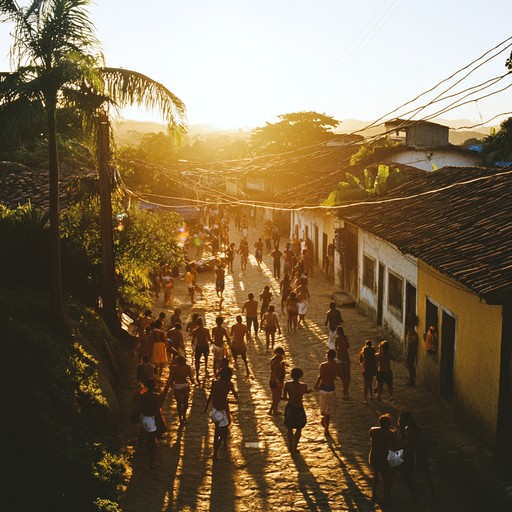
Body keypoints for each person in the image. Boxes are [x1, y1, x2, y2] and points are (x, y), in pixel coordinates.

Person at [397, 411, 436, 499]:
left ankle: (414, 493)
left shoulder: (407, 429)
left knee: (406, 472)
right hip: (421, 452)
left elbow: (410, 443)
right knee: (426, 473)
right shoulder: (415, 427)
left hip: (412, 454)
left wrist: (398, 446)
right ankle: (432, 492)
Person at [204, 366, 239, 460]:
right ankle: (215, 452)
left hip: (214, 409)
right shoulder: (229, 384)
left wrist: (206, 407)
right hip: (223, 409)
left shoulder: (214, 383)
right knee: (222, 431)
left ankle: (223, 444)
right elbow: (236, 396)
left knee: (219, 430)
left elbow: (211, 395)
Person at [314, 349, 343, 436]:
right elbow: (341, 375)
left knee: (324, 409)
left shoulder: (323, 365)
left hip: (323, 388)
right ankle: (326, 425)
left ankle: (326, 428)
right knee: (328, 410)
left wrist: (316, 385)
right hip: (331, 388)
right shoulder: (336, 365)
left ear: (327, 356)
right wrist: (345, 386)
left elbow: (321, 376)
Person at [369, 414, 396, 504]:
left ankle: (374, 494)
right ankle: (386, 496)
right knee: (385, 477)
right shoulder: (390, 434)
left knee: (376, 475)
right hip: (383, 458)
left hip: (373, 456)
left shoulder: (373, 431)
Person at [137, 379, 164, 469]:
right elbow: (158, 409)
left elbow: (139, 408)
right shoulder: (155, 396)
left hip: (143, 418)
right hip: (151, 419)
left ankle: (143, 455)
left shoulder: (142, 396)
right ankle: (151, 464)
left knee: (146, 438)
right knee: (153, 443)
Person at [283, 367, 310, 454]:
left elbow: (284, 397)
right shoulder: (304, 386)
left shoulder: (287, 384)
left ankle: (291, 446)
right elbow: (306, 391)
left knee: (289, 428)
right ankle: (295, 447)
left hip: (290, 407)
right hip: (299, 408)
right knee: (299, 429)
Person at [163, 355, 195, 424]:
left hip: (177, 385)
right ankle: (184, 416)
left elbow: (171, 377)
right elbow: (190, 377)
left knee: (179, 403)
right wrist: (193, 382)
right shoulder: (187, 367)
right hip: (185, 385)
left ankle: (180, 418)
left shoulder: (174, 368)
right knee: (185, 401)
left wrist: (167, 385)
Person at [334, 326, 350, 399]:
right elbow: (347, 346)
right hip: (346, 356)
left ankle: (345, 392)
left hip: (340, 357)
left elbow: (336, 347)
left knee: (342, 376)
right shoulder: (344, 337)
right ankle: (346, 391)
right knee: (347, 375)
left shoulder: (337, 338)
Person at [268, 347, 286, 415]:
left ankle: (274, 410)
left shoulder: (275, 360)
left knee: (277, 398)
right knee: (276, 398)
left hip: (276, 381)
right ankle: (271, 411)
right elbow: (274, 374)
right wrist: (278, 382)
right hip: (275, 382)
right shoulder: (276, 362)